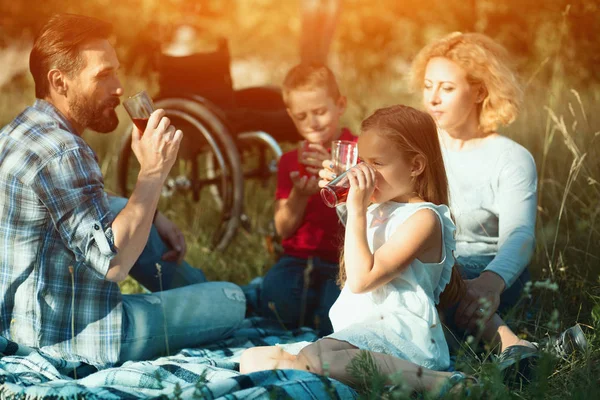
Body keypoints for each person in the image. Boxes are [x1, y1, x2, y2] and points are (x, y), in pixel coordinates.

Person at [0, 13, 245, 370]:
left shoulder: (18, 131)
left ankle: (189, 289)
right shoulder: (65, 152)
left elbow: (81, 207)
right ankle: (223, 294)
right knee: (232, 300)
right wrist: (153, 173)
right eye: (102, 76)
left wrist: (154, 213)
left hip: (19, 322)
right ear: (60, 82)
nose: (118, 87)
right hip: (76, 337)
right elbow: (113, 265)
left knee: (125, 209)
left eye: (116, 70)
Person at [241, 105, 476, 395]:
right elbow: (357, 238)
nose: (364, 173)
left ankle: (438, 382)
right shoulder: (380, 206)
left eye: (376, 163)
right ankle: (341, 378)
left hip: (399, 334)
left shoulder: (425, 219)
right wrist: (340, 186)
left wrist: (356, 208)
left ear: (415, 165)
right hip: (357, 334)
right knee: (252, 360)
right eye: (361, 161)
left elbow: (363, 279)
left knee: (316, 358)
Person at [258, 64, 355, 336]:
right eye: (301, 116)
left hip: (344, 259)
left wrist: (337, 172)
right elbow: (283, 229)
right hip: (298, 258)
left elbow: (373, 209)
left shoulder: (358, 151)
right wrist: (299, 195)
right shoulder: (290, 161)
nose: (312, 123)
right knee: (275, 301)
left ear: (340, 105)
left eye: (320, 112)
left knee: (335, 318)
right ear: (291, 116)